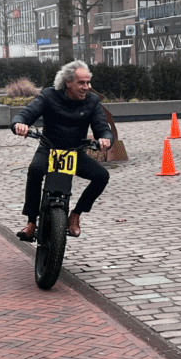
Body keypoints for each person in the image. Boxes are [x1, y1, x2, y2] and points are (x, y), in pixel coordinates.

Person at [11, 61, 113, 241]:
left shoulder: (92, 101)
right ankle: (31, 222)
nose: (86, 87)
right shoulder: (49, 95)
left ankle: (76, 215)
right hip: (49, 149)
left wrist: (106, 138)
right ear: (68, 82)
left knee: (102, 176)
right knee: (35, 170)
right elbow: (27, 113)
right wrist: (19, 123)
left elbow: (102, 128)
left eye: (88, 82)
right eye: (81, 83)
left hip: (76, 152)